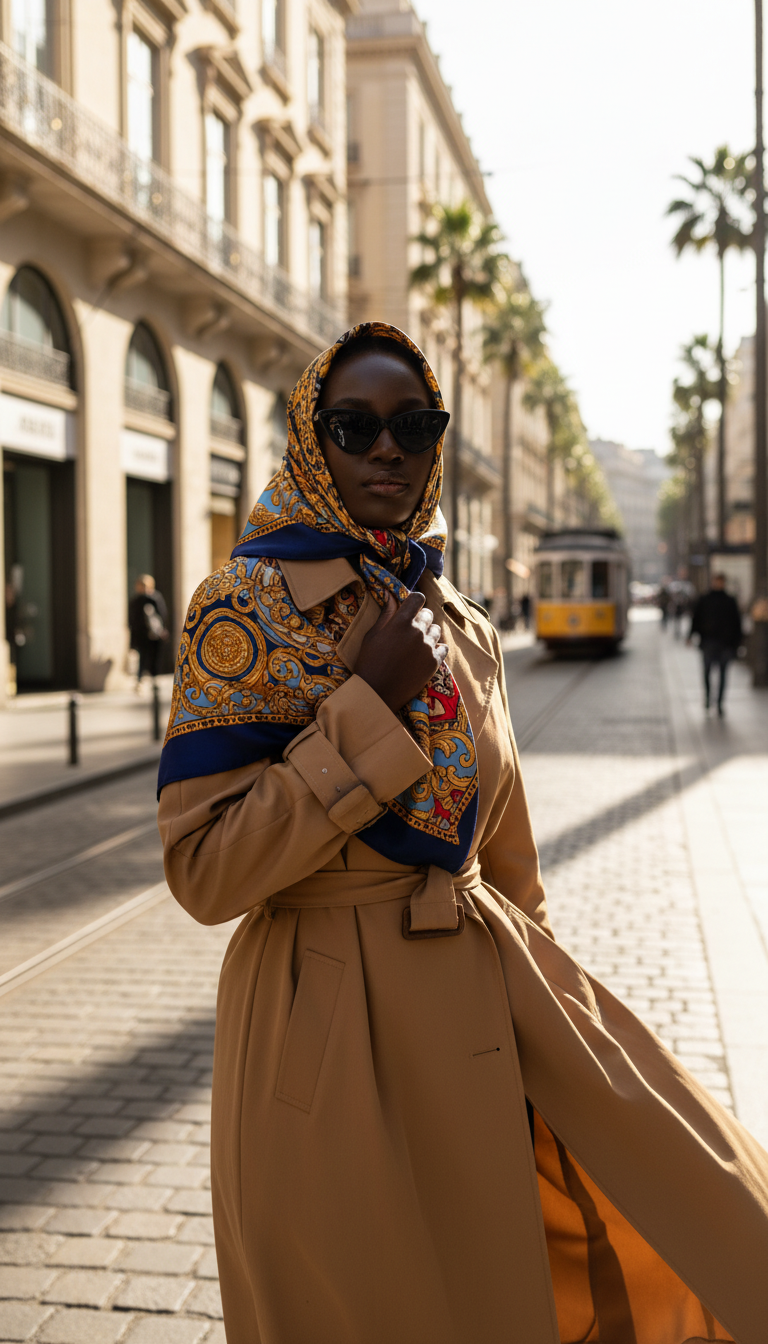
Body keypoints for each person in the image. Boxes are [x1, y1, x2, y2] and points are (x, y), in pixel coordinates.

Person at [158, 323, 768, 1344]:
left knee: (678, 1225)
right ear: (312, 439)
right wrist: (367, 705)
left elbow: (511, 860)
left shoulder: (464, 621)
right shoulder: (241, 610)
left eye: (414, 426)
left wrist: (546, 1023)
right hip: (322, 1034)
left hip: (487, 1002)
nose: (387, 450)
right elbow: (205, 872)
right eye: (354, 426)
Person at [688, 573, 743, 716]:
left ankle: (719, 703)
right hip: (709, 641)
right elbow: (696, 618)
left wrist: (737, 643)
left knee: (723, 674)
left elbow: (737, 623)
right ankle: (708, 698)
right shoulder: (705, 599)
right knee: (707, 672)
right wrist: (690, 635)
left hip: (725, 644)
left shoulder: (729, 600)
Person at [128, 574, 168, 686]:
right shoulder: (136, 601)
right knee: (142, 656)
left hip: (156, 634)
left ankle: (154, 679)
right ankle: (140, 679)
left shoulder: (155, 598)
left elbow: (163, 614)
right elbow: (133, 619)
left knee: (155, 656)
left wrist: (162, 629)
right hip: (142, 634)